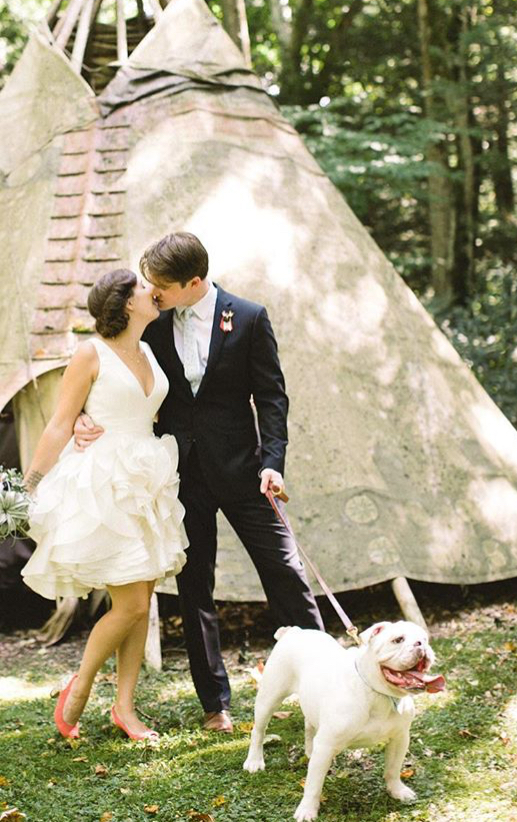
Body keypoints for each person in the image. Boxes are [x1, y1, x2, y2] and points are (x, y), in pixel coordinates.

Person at [75, 233, 324, 732]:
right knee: (195, 590)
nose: (152, 291)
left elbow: (271, 398)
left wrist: (273, 462)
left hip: (246, 471)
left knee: (284, 571)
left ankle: (322, 682)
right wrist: (83, 412)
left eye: (161, 285)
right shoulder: (151, 321)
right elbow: (107, 363)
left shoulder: (249, 318)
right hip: (179, 475)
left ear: (194, 282)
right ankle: (216, 704)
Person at [20, 268, 188, 742]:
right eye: (142, 287)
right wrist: (28, 486)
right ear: (125, 303)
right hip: (105, 482)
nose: (151, 291)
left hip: (149, 476)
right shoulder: (89, 353)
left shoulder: (151, 350)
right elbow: (59, 423)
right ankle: (81, 686)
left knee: (140, 600)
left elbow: (146, 410)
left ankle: (126, 708)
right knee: (132, 602)